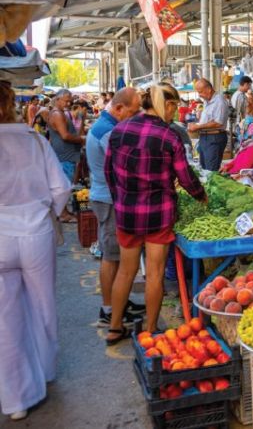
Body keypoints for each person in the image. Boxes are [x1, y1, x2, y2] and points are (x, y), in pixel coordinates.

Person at [104, 83, 207, 343]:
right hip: (158, 214)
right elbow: (185, 176)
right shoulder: (168, 136)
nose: (175, 113)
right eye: (175, 107)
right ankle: (150, 330)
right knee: (155, 273)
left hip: (127, 213)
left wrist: (120, 201)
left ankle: (115, 327)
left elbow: (109, 173)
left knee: (125, 271)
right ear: (167, 105)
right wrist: (200, 195)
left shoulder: (119, 130)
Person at [0, 81, 71, 421]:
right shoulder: (34, 140)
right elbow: (61, 188)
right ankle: (44, 371)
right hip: (36, 232)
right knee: (43, 305)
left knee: (5, 317)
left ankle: (16, 398)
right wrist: (48, 213)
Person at [85, 87, 145, 328]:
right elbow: (125, 167)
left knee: (117, 256)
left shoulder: (106, 125)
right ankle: (109, 311)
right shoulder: (108, 132)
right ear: (119, 108)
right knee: (110, 256)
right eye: (133, 111)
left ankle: (119, 302)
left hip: (107, 196)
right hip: (109, 199)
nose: (136, 116)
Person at [47, 89, 85, 220]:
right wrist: (82, 139)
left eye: (70, 101)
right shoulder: (57, 114)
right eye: (66, 101)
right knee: (63, 186)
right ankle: (62, 213)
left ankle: (64, 211)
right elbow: (65, 136)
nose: (68, 104)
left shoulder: (60, 113)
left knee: (65, 185)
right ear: (58, 99)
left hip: (65, 154)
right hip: (64, 155)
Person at [189, 78, 229, 171]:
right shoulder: (207, 101)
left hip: (214, 138)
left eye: (200, 92)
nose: (199, 95)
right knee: (203, 170)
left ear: (209, 89)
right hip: (205, 138)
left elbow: (218, 123)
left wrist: (198, 126)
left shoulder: (219, 101)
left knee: (210, 171)